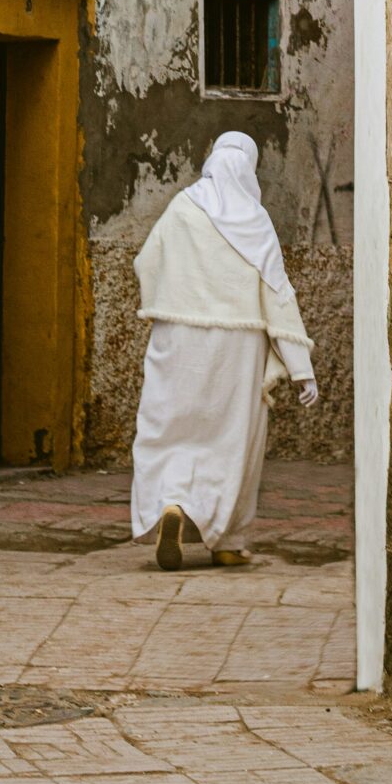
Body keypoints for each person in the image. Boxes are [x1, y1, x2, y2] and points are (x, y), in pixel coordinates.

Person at [130, 130, 318, 569]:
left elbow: (146, 263)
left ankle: (170, 502)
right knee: (232, 441)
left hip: (178, 339)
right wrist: (299, 366)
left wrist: (171, 303)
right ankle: (228, 541)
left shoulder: (181, 209)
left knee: (168, 429)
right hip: (239, 348)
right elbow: (277, 293)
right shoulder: (256, 222)